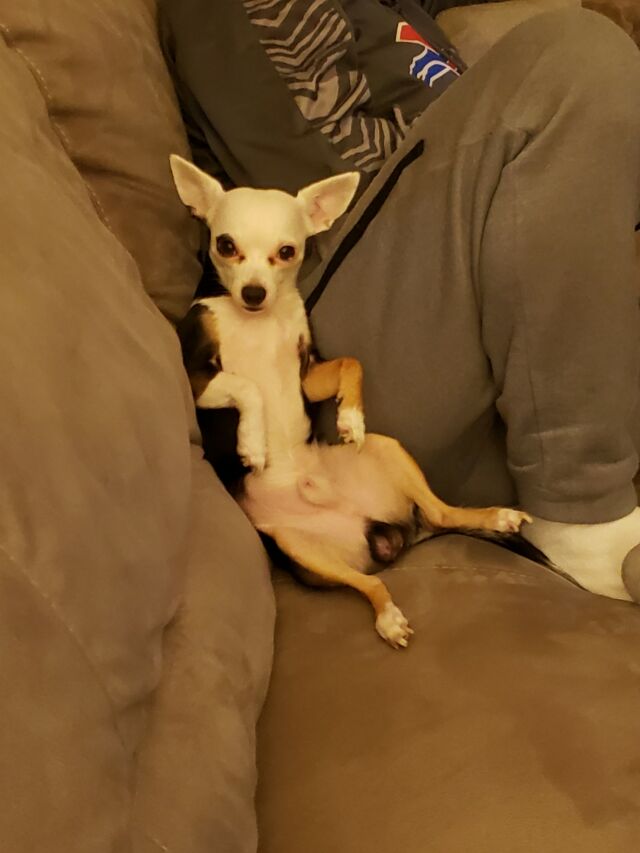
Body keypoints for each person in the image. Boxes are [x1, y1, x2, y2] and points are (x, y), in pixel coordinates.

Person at [160, 0, 640, 600]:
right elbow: (321, 194)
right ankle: (580, 508)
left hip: (471, 303)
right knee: (575, 58)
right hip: (331, 310)